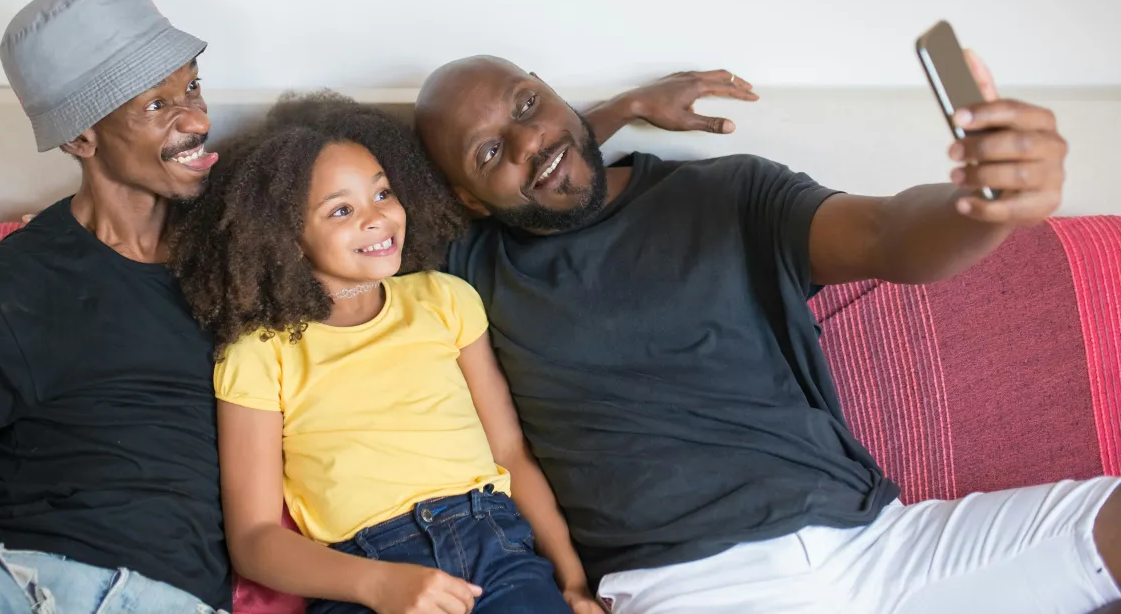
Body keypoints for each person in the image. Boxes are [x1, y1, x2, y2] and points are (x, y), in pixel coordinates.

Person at [412, 54, 1121, 614]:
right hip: (689, 584)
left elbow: (888, 234)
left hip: (879, 544)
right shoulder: (470, 272)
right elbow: (356, 194)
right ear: (467, 199)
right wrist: (617, 112)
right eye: (488, 152)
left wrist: (985, 204)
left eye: (528, 104)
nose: (530, 141)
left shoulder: (727, 193)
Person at [169, 93, 605, 614]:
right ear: (286, 237)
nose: (377, 218)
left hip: (496, 548)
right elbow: (256, 539)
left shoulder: (443, 299)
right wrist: (377, 585)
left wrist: (573, 581)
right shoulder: (260, 352)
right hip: (362, 575)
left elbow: (509, 452)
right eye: (341, 210)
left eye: (382, 193)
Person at [0, 0, 230, 612]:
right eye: (157, 106)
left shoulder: (242, 255)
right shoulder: (0, 288)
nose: (198, 119)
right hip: (29, 583)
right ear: (81, 137)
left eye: (192, 86)